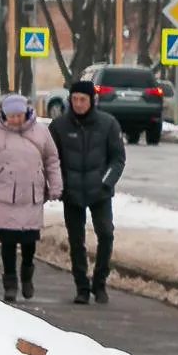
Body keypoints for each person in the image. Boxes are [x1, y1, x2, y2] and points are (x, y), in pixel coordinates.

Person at [0, 94, 62, 304]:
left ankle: (27, 275)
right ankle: (10, 284)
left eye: (19, 115)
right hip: (4, 199)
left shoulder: (40, 132)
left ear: (26, 113)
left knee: (30, 243)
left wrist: (56, 186)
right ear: (4, 114)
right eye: (11, 116)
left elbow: (52, 160)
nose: (15, 120)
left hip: (31, 197)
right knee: (8, 244)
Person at [47, 79, 126, 305]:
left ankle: (99, 283)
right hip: (71, 193)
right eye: (75, 99)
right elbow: (52, 160)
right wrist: (58, 184)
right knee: (76, 241)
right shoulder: (59, 126)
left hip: (99, 191)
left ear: (92, 100)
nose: (79, 103)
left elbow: (118, 158)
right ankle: (81, 287)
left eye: (84, 99)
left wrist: (106, 181)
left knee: (106, 234)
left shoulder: (108, 124)